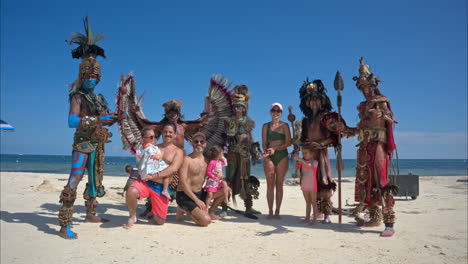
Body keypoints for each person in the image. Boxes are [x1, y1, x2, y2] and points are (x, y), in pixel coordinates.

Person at [58, 17, 118, 239]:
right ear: (82, 76)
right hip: (82, 144)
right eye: (87, 76)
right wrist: (97, 121)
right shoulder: (77, 96)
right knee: (74, 179)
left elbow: (104, 117)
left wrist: (114, 118)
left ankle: (91, 213)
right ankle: (64, 224)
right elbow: (72, 121)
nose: (91, 79)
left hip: (97, 143)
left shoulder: (99, 98)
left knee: (95, 177)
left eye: (94, 76)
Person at [346, 58, 398, 237]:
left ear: (373, 85)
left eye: (367, 86)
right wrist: (345, 129)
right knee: (367, 182)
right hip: (364, 145)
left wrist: (382, 113)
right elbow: (361, 127)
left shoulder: (380, 100)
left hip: (378, 146)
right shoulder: (362, 106)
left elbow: (390, 118)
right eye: (362, 87)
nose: (365, 89)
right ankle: (374, 218)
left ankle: (389, 223)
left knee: (381, 180)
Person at [298, 78, 350, 224]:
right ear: (307, 102)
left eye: (316, 100)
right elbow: (303, 138)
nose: (314, 102)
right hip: (308, 155)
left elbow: (334, 137)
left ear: (321, 101)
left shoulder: (326, 117)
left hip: (321, 155)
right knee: (310, 183)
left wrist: (321, 144)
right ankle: (317, 212)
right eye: (311, 100)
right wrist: (304, 146)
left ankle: (326, 214)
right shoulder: (306, 120)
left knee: (324, 182)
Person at [123, 122, 184, 228]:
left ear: (175, 134)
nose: (167, 134)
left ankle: (154, 210)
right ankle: (132, 217)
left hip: (161, 187)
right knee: (131, 191)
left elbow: (173, 168)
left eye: (170, 132)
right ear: (161, 133)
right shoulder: (153, 148)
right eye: (165, 131)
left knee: (160, 222)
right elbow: (142, 163)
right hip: (147, 182)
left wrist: (154, 176)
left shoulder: (178, 152)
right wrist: (134, 178)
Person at [223, 85, 261, 219]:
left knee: (245, 179)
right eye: (236, 107)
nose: (238, 109)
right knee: (229, 178)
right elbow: (226, 136)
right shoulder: (228, 120)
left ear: (244, 108)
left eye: (240, 107)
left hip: (245, 155)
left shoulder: (249, 122)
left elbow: (250, 137)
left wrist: (255, 152)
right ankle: (224, 205)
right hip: (232, 153)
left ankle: (248, 206)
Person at [176, 132, 227, 225]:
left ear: (205, 144)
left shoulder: (207, 161)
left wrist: (219, 176)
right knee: (205, 221)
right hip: (185, 195)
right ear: (192, 143)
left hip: (199, 193)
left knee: (226, 190)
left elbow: (213, 176)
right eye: (196, 141)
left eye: (201, 141)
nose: (198, 143)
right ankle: (183, 209)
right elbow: (183, 183)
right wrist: (197, 201)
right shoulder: (186, 160)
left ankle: (211, 212)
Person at [261, 102, 292, 219]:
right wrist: (266, 152)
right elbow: (264, 142)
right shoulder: (265, 126)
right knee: (270, 185)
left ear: (281, 113)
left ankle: (277, 211)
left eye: (278, 111)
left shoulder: (285, 126)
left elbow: (289, 142)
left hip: (282, 155)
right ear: (270, 112)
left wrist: (276, 149)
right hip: (269, 156)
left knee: (279, 184)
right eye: (274, 110)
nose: (275, 113)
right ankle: (270, 211)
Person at [136, 127, 169, 198]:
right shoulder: (152, 148)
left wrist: (140, 172)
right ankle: (165, 190)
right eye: (151, 137)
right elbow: (157, 156)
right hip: (152, 167)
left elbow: (139, 162)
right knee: (167, 173)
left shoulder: (140, 150)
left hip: (146, 169)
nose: (154, 138)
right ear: (144, 138)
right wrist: (157, 156)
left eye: (155, 136)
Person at [294, 146, 319, 225]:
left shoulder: (315, 162)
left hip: (312, 185)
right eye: (303, 153)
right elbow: (296, 167)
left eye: (306, 153)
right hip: (304, 185)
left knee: (313, 202)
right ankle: (307, 217)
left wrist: (300, 159)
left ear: (311, 154)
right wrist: (296, 160)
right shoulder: (302, 162)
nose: (304, 154)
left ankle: (314, 219)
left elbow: (310, 166)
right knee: (307, 202)